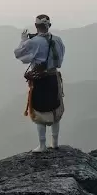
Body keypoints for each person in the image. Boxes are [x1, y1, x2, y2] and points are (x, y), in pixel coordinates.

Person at [14, 14, 66, 152]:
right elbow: (60, 60)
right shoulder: (58, 40)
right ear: (49, 25)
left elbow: (19, 54)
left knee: (40, 111)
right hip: (53, 77)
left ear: (36, 26)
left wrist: (23, 40)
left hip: (40, 80)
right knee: (55, 108)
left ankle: (42, 145)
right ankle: (55, 142)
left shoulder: (34, 42)